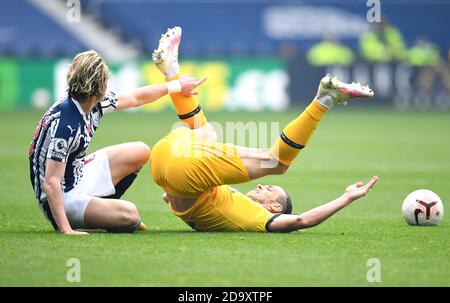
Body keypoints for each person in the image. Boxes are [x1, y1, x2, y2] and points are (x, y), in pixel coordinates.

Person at [149, 27, 378, 232]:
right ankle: (171, 71)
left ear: (275, 207)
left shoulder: (258, 217)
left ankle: (325, 100)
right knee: (208, 133)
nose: (260, 185)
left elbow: (301, 221)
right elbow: (166, 197)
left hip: (175, 158)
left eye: (269, 189)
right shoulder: (231, 206)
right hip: (160, 165)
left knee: (277, 164)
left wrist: (346, 198)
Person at [29, 49, 204, 235]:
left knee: (140, 151)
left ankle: (102, 210)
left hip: (77, 174)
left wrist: (177, 85)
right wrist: (65, 229)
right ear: (97, 86)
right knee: (130, 216)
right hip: (61, 198)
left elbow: (136, 98)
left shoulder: (91, 103)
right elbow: (51, 182)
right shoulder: (66, 125)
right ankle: (101, 216)